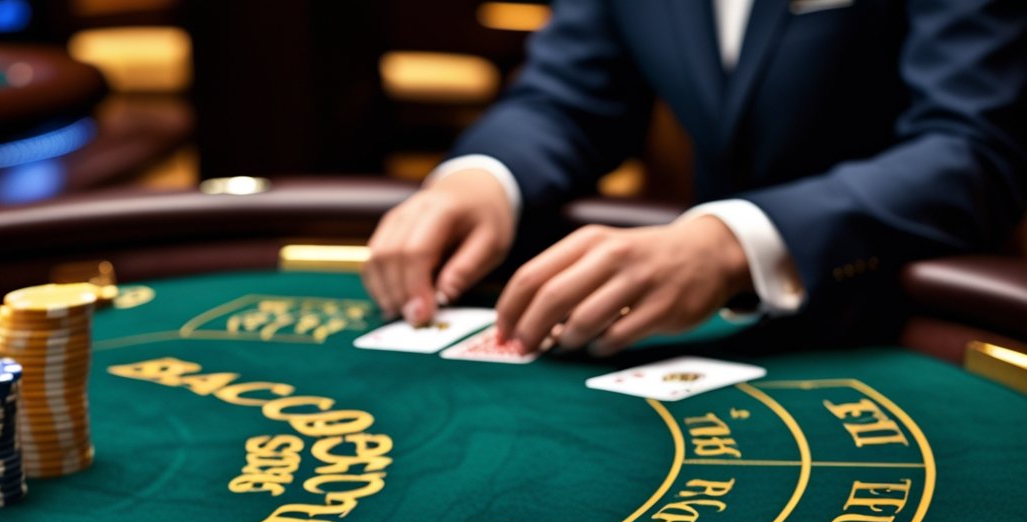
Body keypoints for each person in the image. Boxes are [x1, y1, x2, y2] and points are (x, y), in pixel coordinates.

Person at [361, 0, 1027, 356]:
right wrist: (482, 178)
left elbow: (973, 147)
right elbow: (569, 97)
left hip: (910, 322)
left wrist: (730, 242)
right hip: (709, 339)